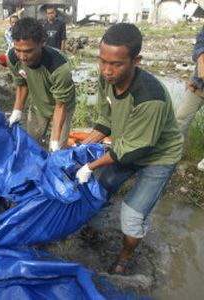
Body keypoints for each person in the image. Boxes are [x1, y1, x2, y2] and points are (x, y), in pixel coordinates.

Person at [75, 23, 183, 275]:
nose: (107, 71)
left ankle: (124, 258)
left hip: (157, 155)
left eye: (116, 64)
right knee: (100, 190)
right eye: (102, 61)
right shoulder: (106, 81)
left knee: (132, 213)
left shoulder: (149, 97)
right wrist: (80, 151)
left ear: (136, 60)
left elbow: (130, 152)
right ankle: (94, 229)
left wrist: (89, 166)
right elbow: (105, 122)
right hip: (128, 143)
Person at [7, 17, 75, 151]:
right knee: (31, 141)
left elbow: (60, 106)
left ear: (42, 43)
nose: (22, 56)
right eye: (18, 50)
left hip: (62, 107)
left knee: (57, 150)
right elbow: (22, 84)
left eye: (28, 51)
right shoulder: (13, 58)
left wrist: (55, 141)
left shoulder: (59, 67)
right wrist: (17, 111)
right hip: (39, 105)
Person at [176, 25, 204, 171]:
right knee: (181, 117)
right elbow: (200, 44)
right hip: (200, 83)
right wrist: (201, 61)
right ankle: (175, 154)